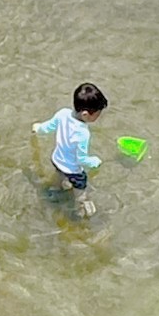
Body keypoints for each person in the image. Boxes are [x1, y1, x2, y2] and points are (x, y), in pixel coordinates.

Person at [33, 82, 108, 216]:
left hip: (57, 160)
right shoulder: (83, 133)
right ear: (85, 115)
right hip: (74, 171)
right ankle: (81, 210)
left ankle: (55, 191)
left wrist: (38, 128)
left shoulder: (63, 114)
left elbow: (48, 127)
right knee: (80, 192)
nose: (98, 117)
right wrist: (94, 162)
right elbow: (81, 159)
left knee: (60, 178)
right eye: (97, 114)